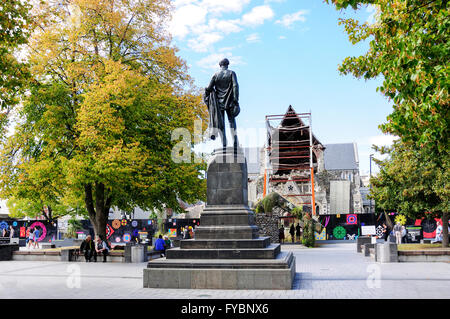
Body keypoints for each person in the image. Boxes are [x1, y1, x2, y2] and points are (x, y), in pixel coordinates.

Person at [204, 58, 240, 148]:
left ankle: (224, 143)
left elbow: (209, 88)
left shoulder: (216, 75)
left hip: (219, 103)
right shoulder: (232, 73)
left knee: (221, 123)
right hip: (230, 101)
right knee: (232, 121)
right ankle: (235, 142)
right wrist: (236, 100)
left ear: (220, 65)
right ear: (227, 64)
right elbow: (235, 86)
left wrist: (206, 92)